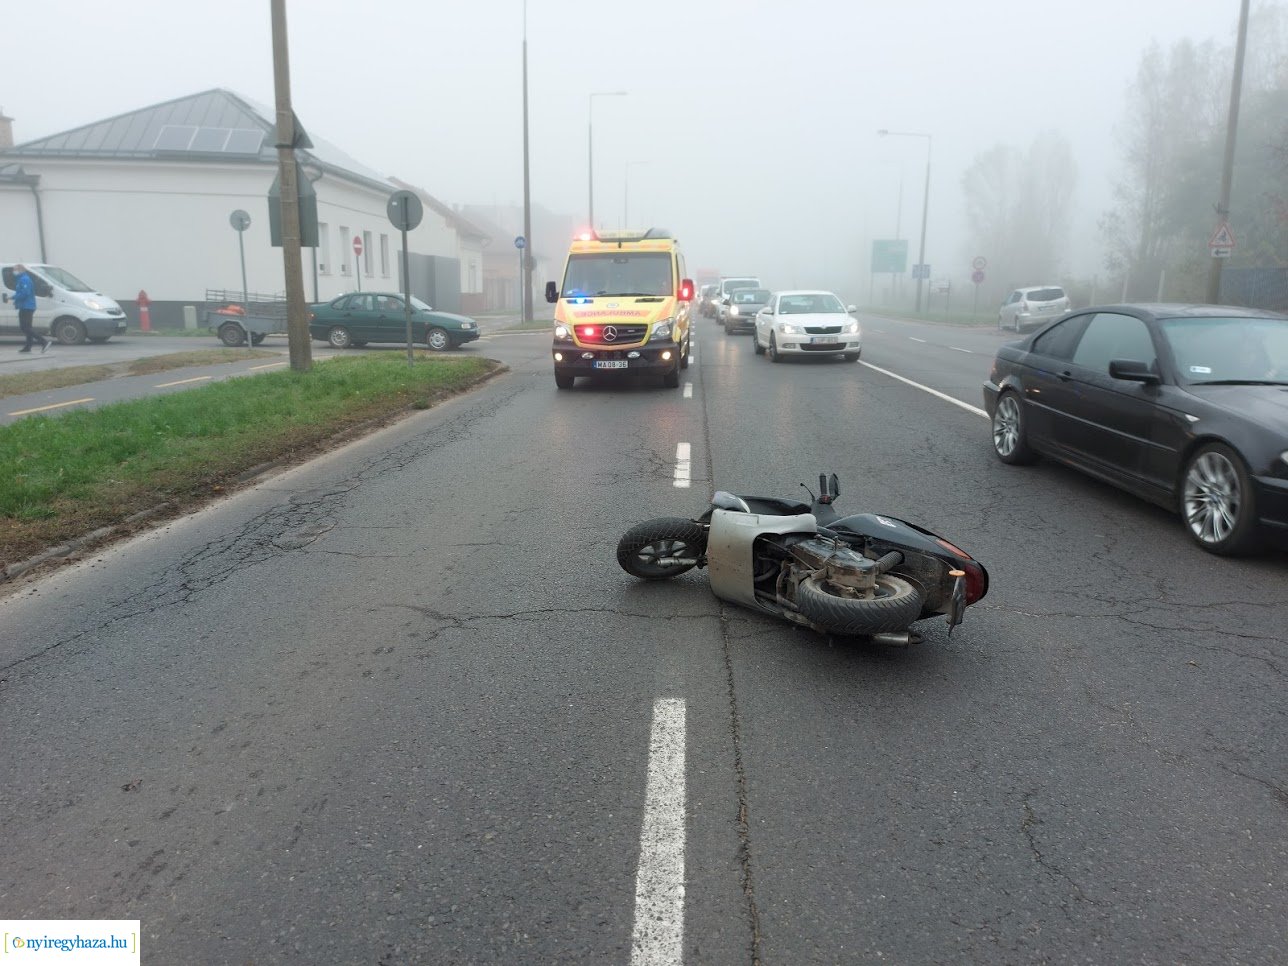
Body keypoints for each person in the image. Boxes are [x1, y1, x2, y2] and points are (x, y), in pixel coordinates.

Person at [13, 264, 49, 354]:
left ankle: (44, 342)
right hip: (26, 306)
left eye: (15, 270)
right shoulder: (22, 279)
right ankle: (28, 346)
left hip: (27, 306)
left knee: (24, 327)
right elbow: (22, 292)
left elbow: (25, 293)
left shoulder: (24, 279)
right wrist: (13, 297)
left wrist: (15, 298)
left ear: (20, 270)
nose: (13, 272)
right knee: (28, 327)